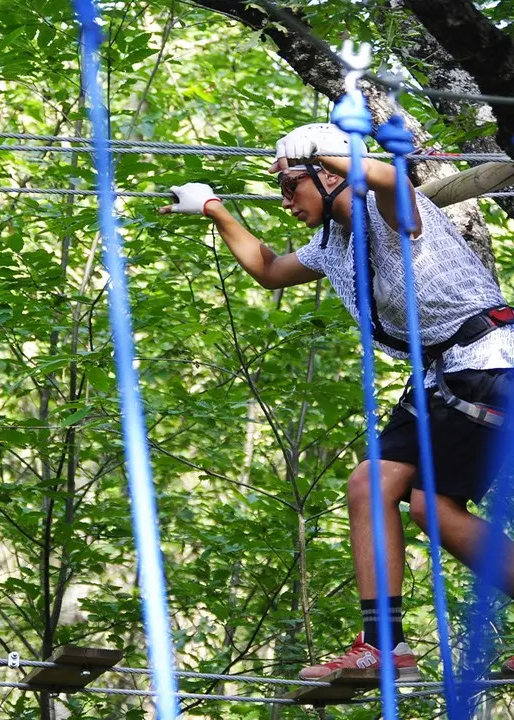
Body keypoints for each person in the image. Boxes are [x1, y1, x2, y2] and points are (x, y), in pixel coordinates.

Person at [160, 123, 514, 679]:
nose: (284, 202)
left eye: (290, 187)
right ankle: (386, 649)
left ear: (328, 175)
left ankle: (383, 649)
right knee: (422, 506)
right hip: (446, 375)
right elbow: (270, 270)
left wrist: (331, 152)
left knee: (379, 484)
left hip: (488, 361)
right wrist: (214, 209)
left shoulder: (388, 211)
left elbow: (386, 176)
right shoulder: (332, 244)